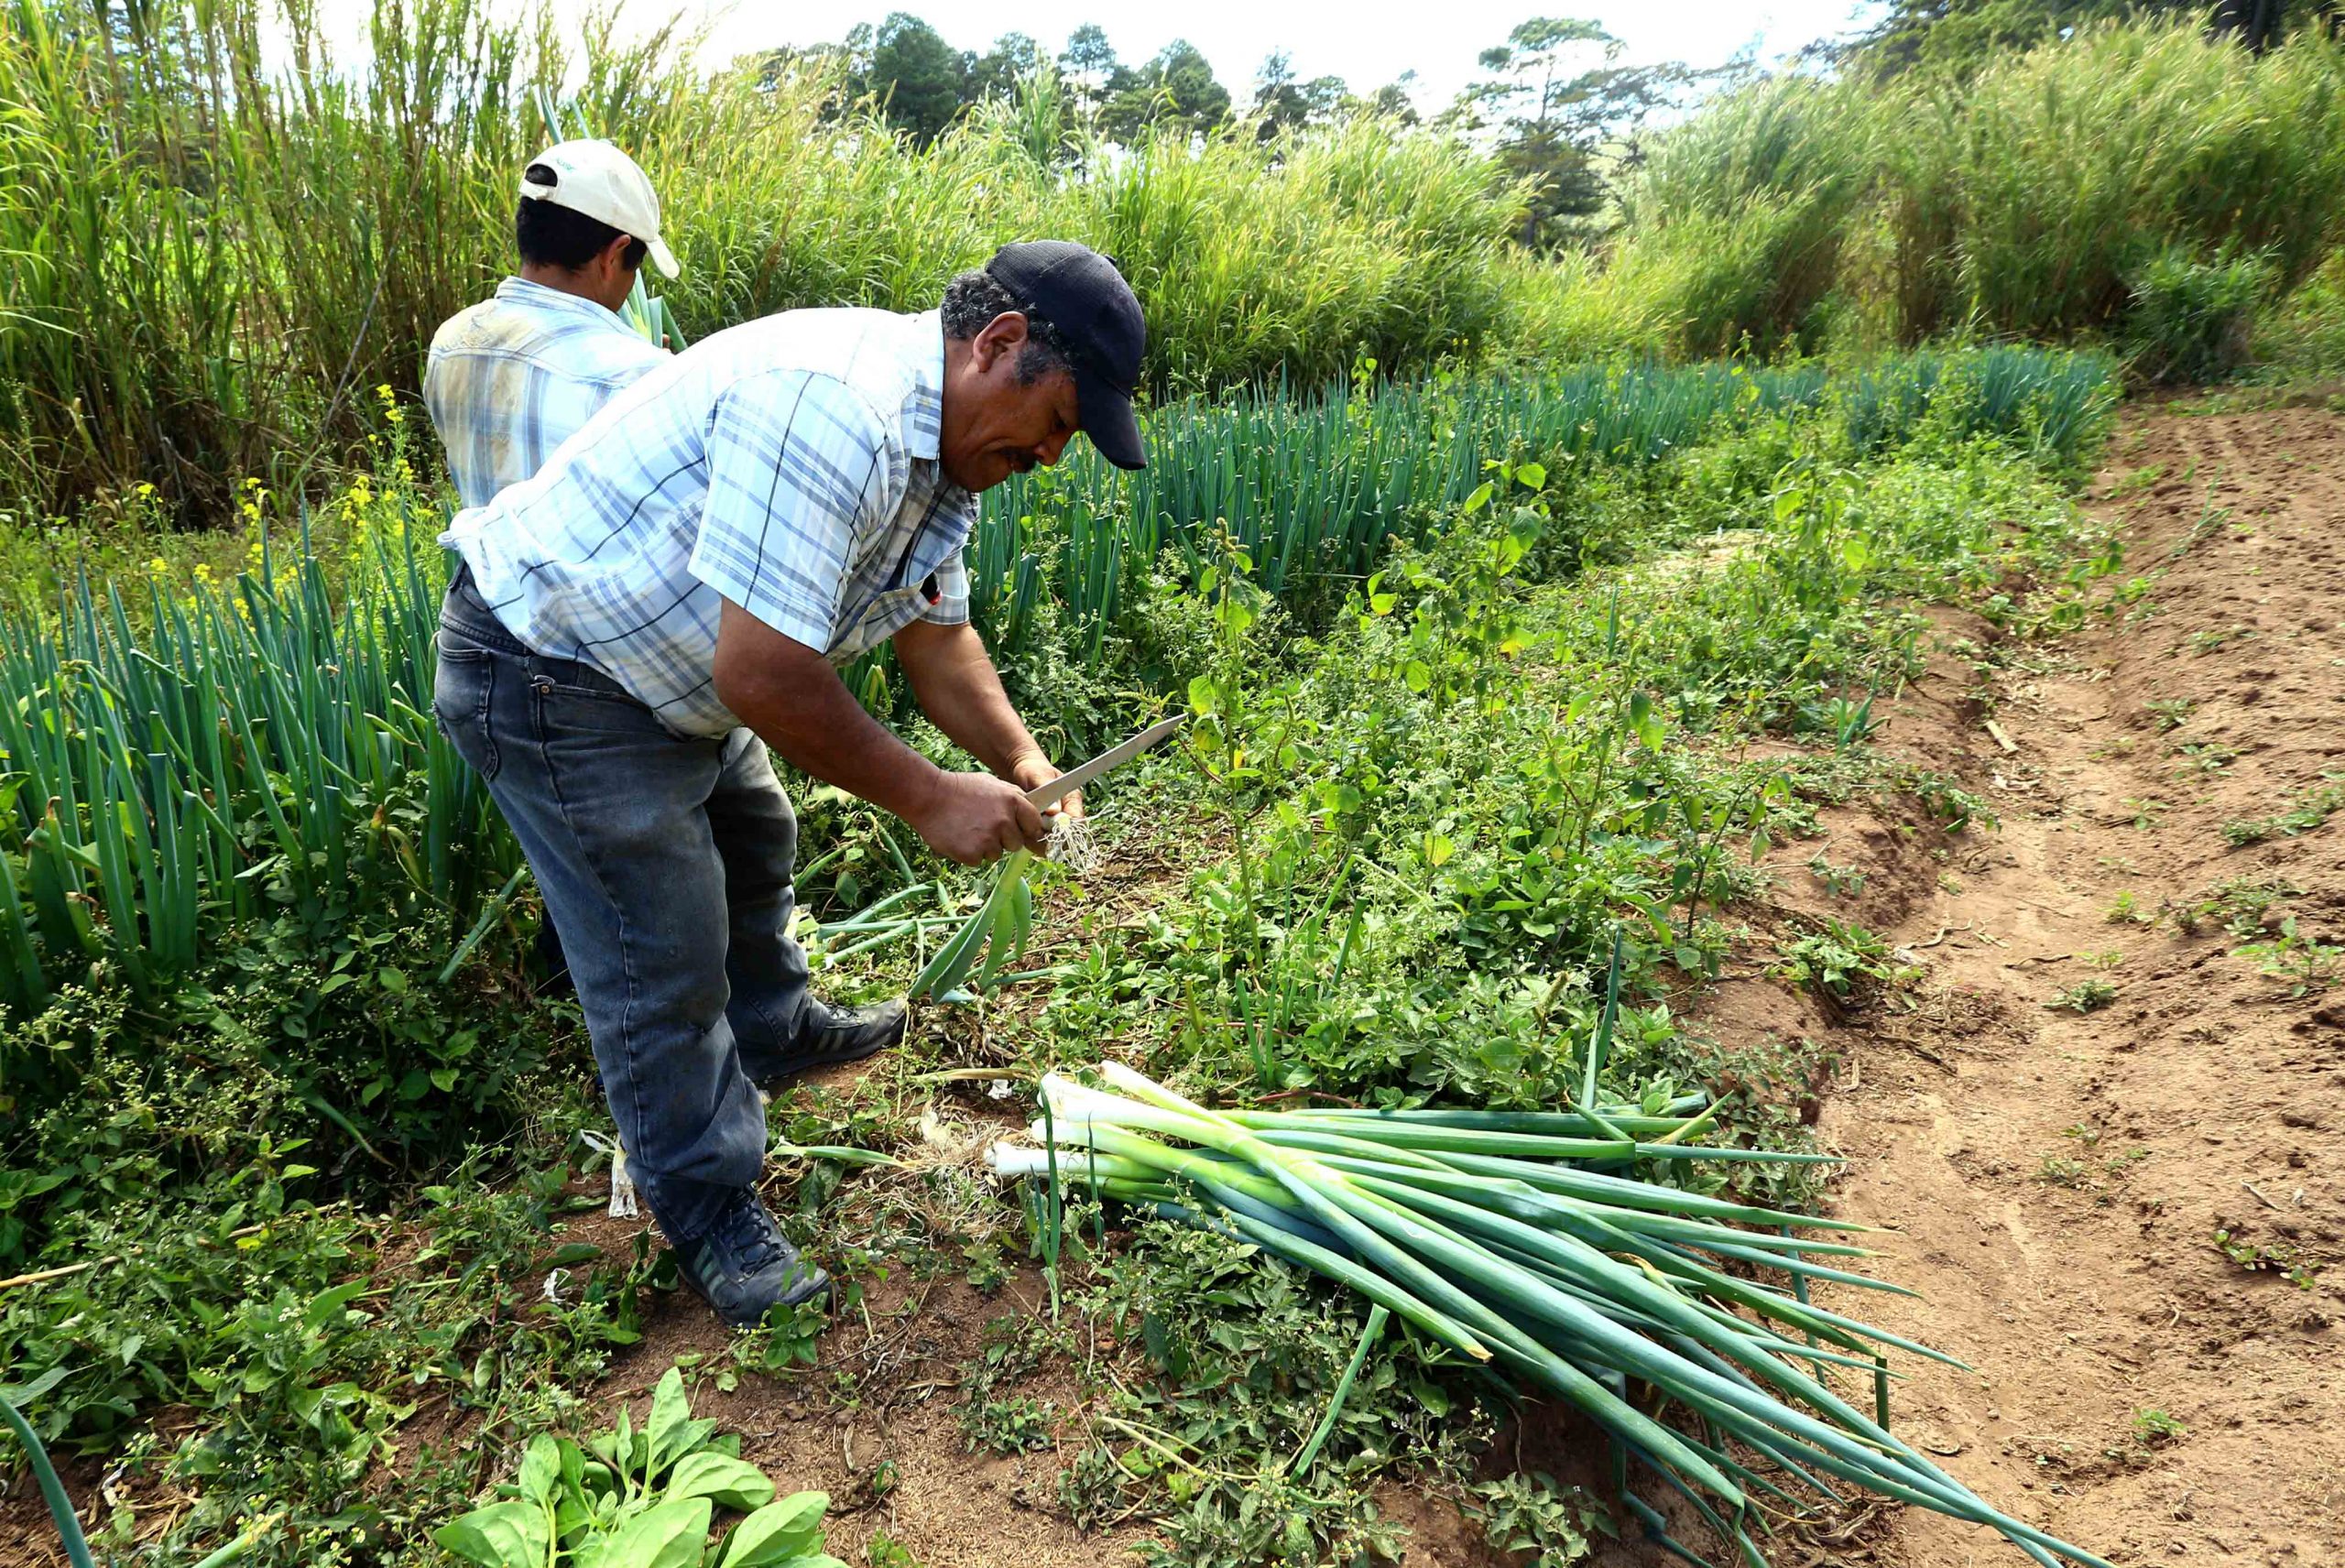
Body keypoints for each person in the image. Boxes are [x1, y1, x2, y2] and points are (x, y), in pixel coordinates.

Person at [432, 241, 1147, 1326]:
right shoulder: (835, 407)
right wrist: (927, 796)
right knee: (658, 947)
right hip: (555, 668)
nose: (1053, 455)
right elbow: (763, 670)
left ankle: (772, 1026)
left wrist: (1022, 762)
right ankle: (706, 1204)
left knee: (755, 839)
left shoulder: (940, 460)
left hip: (668, 673)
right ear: (997, 347)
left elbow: (938, 639)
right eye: (1057, 422)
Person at [424, 139, 678, 993]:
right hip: (599, 666)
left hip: (481, 628)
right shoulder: (637, 376)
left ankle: (566, 970)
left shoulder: (453, 341)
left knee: (575, 843)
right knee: (649, 900)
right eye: (636, 269)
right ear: (616, 255)